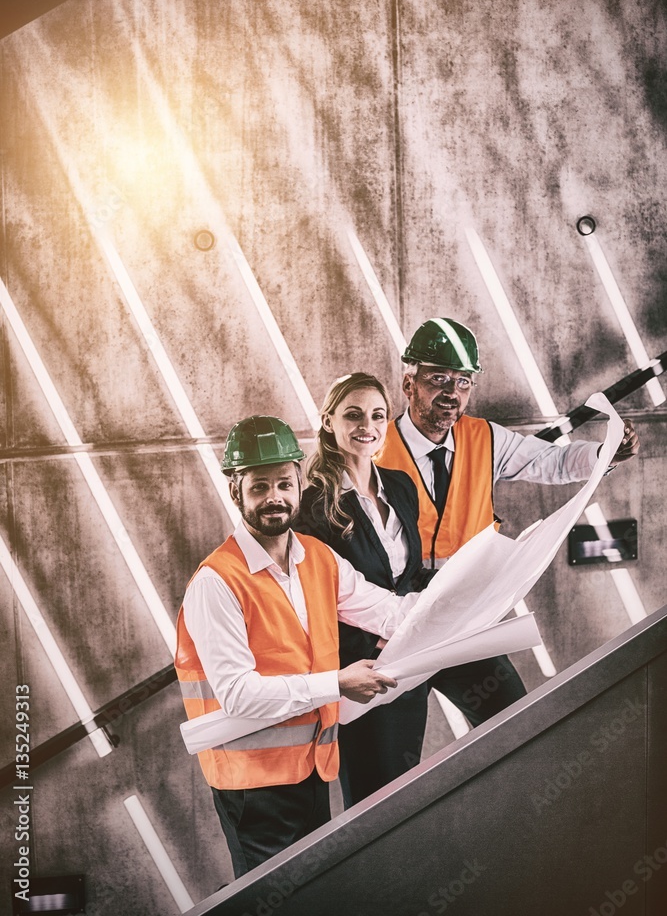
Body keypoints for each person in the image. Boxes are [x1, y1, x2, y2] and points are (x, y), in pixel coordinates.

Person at [175, 415, 424, 878]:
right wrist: (338, 683)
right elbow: (239, 695)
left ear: (298, 484)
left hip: (310, 769)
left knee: (315, 894)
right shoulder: (216, 582)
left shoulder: (318, 558)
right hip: (252, 786)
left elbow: (387, 611)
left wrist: (467, 601)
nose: (275, 497)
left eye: (284, 484)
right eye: (259, 486)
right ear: (236, 491)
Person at [374, 316, 640, 727]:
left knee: (511, 726)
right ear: (409, 384)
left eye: (463, 382)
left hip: (464, 609)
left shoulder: (486, 438)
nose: (451, 393)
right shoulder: (373, 449)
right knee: (389, 748)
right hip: (394, 618)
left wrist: (606, 453)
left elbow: (550, 462)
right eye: (438, 379)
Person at [295, 372, 435, 807]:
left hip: (407, 662)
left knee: (404, 787)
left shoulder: (401, 485)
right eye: (352, 415)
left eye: (377, 415)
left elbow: (409, 574)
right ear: (328, 421)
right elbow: (317, 594)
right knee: (373, 799)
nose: (367, 426)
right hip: (359, 670)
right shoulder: (313, 503)